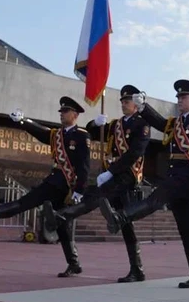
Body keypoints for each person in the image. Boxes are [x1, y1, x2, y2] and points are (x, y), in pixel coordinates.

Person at [99, 79, 189, 289]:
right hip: (176, 176)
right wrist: (143, 107)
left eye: (184, 97)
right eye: (178, 97)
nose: (180, 100)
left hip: (188, 177)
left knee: (156, 197)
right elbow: (160, 123)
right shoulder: (176, 123)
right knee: (186, 229)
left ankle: (120, 217)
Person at [44, 85, 151, 283]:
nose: (123, 105)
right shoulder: (116, 124)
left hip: (127, 175)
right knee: (126, 223)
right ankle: (137, 269)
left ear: (135, 105)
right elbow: (92, 131)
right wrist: (95, 122)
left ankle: (61, 216)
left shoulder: (142, 125)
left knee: (95, 195)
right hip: (113, 175)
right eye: (122, 102)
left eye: (127, 102)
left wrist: (112, 171)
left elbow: (135, 152)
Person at [0, 96, 90, 277]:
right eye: (60, 112)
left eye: (65, 112)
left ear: (74, 115)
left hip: (65, 184)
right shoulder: (57, 135)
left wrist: (79, 190)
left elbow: (84, 165)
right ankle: (74, 263)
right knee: (63, 227)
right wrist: (23, 121)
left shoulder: (82, 136)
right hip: (55, 180)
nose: (61, 115)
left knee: (27, 202)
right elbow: (41, 132)